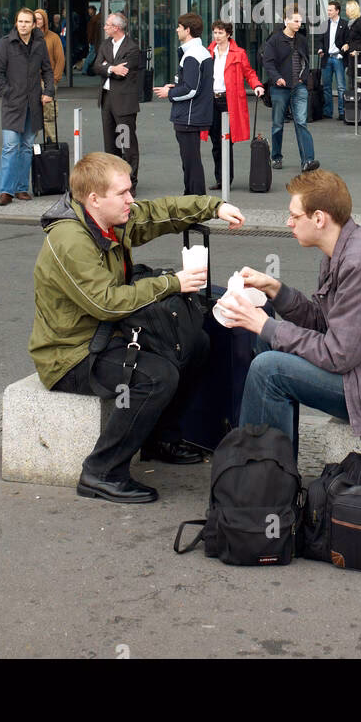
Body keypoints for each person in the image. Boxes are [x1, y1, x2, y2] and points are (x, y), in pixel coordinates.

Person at [31, 152, 246, 503]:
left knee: (195, 343)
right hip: (70, 355)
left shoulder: (110, 218)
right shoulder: (70, 240)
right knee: (156, 376)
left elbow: (160, 212)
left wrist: (214, 207)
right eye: (123, 193)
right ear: (94, 199)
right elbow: (106, 303)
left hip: (108, 334)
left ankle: (160, 438)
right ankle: (101, 472)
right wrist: (173, 283)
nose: (131, 199)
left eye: (130, 190)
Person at [219, 171, 361, 457]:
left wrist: (266, 325)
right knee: (267, 342)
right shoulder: (341, 248)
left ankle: (261, 476)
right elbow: (326, 323)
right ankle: (276, 468)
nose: (288, 222)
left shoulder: (360, 263)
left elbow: (338, 355)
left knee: (269, 370)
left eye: (294, 216)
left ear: (319, 218)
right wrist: (275, 290)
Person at [0, 7, 55, 206]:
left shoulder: (39, 44)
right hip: (12, 104)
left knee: (27, 147)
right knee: (10, 147)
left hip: (33, 104)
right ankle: (6, 191)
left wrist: (48, 91)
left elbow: (47, 70)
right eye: (20, 22)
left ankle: (21, 188)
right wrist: (8, 92)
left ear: (34, 24)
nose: (23, 25)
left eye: (27, 22)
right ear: (16, 23)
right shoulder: (5, 43)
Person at [156, 12, 213, 195]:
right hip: (192, 115)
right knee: (191, 163)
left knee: (191, 164)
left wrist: (170, 93)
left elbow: (191, 89)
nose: (177, 30)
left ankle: (195, 201)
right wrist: (175, 87)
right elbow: (194, 85)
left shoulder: (192, 55)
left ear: (187, 30)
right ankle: (193, 200)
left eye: (179, 27)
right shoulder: (199, 52)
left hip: (189, 117)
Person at [203, 19, 264, 190]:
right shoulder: (209, 52)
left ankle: (226, 179)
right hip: (212, 100)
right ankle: (220, 179)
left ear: (228, 34)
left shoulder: (239, 53)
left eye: (220, 33)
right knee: (216, 142)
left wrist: (257, 85)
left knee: (226, 141)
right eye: (215, 32)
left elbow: (249, 72)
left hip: (229, 101)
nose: (217, 36)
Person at [262, 9, 319, 173]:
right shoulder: (274, 40)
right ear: (286, 21)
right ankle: (276, 157)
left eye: (300, 21)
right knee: (278, 124)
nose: (299, 24)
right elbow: (268, 62)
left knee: (301, 122)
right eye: (295, 21)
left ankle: (307, 160)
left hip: (299, 87)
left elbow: (306, 61)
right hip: (279, 88)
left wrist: (303, 77)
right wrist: (277, 78)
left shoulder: (301, 40)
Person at [96, 11, 142, 192]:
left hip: (124, 103)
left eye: (107, 25)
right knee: (110, 143)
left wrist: (107, 67)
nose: (104, 27)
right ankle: (114, 181)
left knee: (126, 143)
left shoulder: (132, 48)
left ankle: (130, 182)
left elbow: (124, 73)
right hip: (107, 99)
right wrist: (112, 68)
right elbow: (96, 66)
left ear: (116, 28)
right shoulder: (105, 44)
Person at [34, 9, 65, 143]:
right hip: (31, 82)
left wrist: (54, 80)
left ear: (45, 21)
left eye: (39, 18)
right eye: (35, 18)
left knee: (48, 115)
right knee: (32, 114)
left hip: (47, 82)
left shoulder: (53, 37)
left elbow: (60, 60)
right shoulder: (28, 37)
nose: (37, 21)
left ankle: (51, 144)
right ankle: (29, 145)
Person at [318, 0, 349, 119]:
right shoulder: (324, 24)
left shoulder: (344, 24)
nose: (328, 12)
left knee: (341, 87)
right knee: (326, 86)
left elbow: (348, 41)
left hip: (338, 58)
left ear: (337, 11)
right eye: (328, 10)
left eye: (331, 10)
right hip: (326, 58)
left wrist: (343, 51)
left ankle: (342, 112)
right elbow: (320, 40)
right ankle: (328, 111)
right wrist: (320, 49)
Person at [341, 0, 361, 92]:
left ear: (351, 10)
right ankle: (354, 100)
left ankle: (357, 100)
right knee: (352, 83)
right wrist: (347, 44)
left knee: (356, 85)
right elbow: (354, 39)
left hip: (358, 58)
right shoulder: (352, 23)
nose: (345, 11)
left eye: (347, 9)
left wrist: (358, 50)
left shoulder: (359, 23)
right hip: (352, 59)